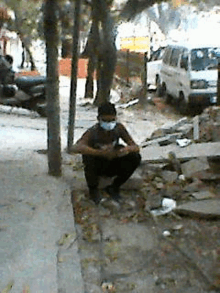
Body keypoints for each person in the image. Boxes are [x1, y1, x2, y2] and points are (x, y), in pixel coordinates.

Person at [70, 102, 141, 204]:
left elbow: (135, 147)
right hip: (98, 165)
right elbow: (77, 147)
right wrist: (99, 152)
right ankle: (93, 190)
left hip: (113, 163)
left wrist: (126, 150)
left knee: (135, 157)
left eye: (112, 120)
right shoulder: (93, 132)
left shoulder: (119, 128)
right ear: (99, 119)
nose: (109, 124)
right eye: (106, 121)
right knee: (88, 157)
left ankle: (114, 187)